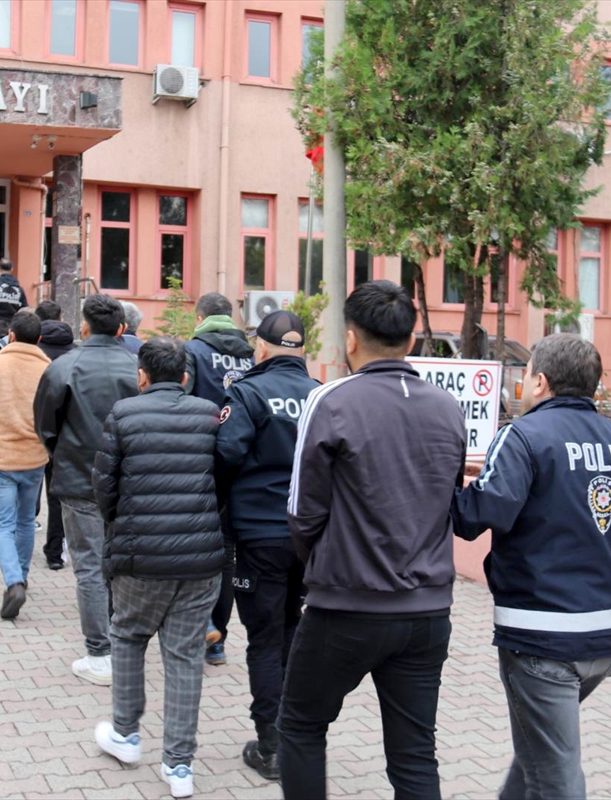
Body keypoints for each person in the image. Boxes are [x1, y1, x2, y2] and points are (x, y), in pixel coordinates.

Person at [452, 333, 611, 800]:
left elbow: (479, 515)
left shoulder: (522, 437)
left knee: (556, 778)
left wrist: (439, 483)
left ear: (539, 381)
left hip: (542, 644)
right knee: (542, 752)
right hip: (607, 645)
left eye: (525, 377)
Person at [280, 280, 466, 800]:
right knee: (413, 753)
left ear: (351, 340)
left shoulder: (330, 400)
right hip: (428, 613)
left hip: (346, 607)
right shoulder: (448, 408)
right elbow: (447, 498)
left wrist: (323, 566)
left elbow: (301, 510)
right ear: (410, 340)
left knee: (299, 726)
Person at [91, 337, 224, 799]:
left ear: (141, 376)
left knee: (127, 635)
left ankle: (126, 735)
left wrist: (120, 526)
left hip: (139, 556)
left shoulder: (124, 414)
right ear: (185, 377)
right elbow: (221, 479)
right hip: (200, 557)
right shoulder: (210, 414)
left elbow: (104, 486)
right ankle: (180, 767)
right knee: (185, 656)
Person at [214, 310, 319, 781]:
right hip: (309, 537)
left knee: (263, 638)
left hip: (259, 536)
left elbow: (227, 454)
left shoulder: (248, 392)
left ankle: (271, 745)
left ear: (261, 348)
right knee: (293, 632)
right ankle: (294, 737)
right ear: (302, 351)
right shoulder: (321, 395)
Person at [34, 294, 139, 685]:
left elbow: (45, 427)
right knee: (123, 565)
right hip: (130, 480)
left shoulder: (62, 367)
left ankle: (100, 651)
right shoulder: (137, 366)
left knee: (90, 566)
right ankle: (123, 643)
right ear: (122, 329)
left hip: (80, 478)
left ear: (83, 326)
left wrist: (61, 456)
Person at [185, 292, 254, 666]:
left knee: (194, 548)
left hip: (201, 463)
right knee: (226, 554)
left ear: (200, 317)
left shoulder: (193, 351)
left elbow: (181, 403)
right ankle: (217, 642)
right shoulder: (251, 353)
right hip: (241, 462)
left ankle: (198, 625)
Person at [0, 309, 53, 620]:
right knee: (25, 522)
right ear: (40, 339)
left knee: (3, 526)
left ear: (11, 336)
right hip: (35, 457)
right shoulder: (48, 368)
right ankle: (22, 575)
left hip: (1, 457)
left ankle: (13, 581)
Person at [33, 300, 77, 570]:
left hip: (34, 431)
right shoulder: (77, 353)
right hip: (69, 434)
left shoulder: (32, 352)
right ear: (61, 318)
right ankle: (55, 549)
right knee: (58, 496)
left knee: (29, 487)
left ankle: (24, 537)